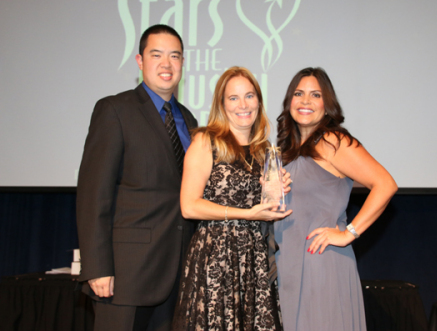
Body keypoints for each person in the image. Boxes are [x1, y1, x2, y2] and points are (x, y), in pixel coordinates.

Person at [76, 24, 197, 331]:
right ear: (140, 61)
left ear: (183, 63)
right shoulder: (115, 110)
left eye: (175, 56)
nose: (166, 64)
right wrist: (98, 268)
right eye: (156, 55)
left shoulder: (189, 120)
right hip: (126, 275)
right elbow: (94, 195)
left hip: (178, 273)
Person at [274, 67, 398, 331]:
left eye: (315, 95)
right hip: (288, 266)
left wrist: (349, 233)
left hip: (321, 264)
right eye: (299, 93)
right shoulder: (287, 150)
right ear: (289, 102)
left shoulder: (332, 141)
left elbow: (385, 184)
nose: (305, 101)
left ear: (327, 105)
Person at [172, 66, 292, 330]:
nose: (243, 105)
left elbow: (266, 207)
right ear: (222, 104)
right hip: (215, 255)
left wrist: (278, 189)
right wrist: (247, 214)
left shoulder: (265, 151)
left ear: (259, 101)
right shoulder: (206, 142)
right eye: (233, 98)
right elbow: (189, 206)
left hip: (254, 259)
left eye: (249, 96)